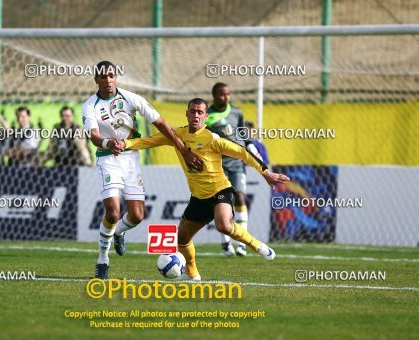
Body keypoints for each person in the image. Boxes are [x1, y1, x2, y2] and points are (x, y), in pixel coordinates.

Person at [111, 98, 290, 280]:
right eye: (193, 111)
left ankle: (257, 245)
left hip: (221, 191)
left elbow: (242, 152)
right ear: (187, 114)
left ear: (205, 116)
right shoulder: (177, 136)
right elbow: (148, 141)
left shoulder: (212, 139)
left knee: (224, 225)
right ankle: (193, 275)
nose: (196, 115)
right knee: (181, 238)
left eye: (200, 112)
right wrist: (125, 144)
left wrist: (265, 172)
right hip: (198, 198)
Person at [81, 60, 203, 279]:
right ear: (96, 80)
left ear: (116, 77)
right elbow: (94, 136)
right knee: (113, 211)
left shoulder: (130, 98)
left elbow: (161, 123)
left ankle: (118, 232)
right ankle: (102, 260)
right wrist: (109, 143)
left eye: (111, 76)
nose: (108, 80)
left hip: (131, 159)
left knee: (137, 215)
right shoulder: (90, 105)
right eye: (103, 77)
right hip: (108, 159)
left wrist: (183, 149)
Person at [206, 83, 249, 257]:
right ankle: (226, 244)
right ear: (214, 96)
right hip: (218, 165)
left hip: (237, 164)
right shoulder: (207, 116)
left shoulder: (237, 112)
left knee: (240, 197)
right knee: (223, 202)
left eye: (228, 94)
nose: (226, 97)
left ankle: (242, 243)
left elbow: (242, 135)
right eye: (223, 94)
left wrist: (247, 152)